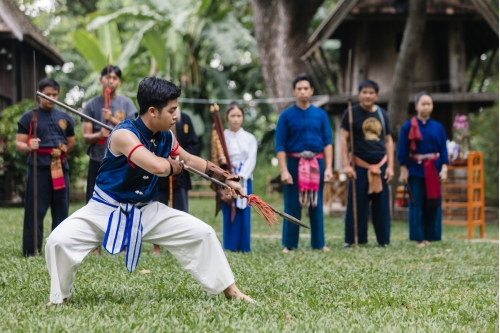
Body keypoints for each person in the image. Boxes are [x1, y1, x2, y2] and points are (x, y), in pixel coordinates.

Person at [45, 77, 253, 305]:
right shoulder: (124, 135)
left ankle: (230, 290)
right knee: (58, 241)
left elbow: (190, 159)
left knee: (203, 233)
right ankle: (61, 296)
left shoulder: (167, 136)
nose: (176, 115)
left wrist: (225, 179)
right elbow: (157, 166)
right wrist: (177, 166)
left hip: (145, 209)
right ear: (153, 111)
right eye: (172, 110)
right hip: (104, 208)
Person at [15, 78, 75, 257]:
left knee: (61, 209)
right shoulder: (29, 117)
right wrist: (28, 146)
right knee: (35, 210)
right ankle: (31, 250)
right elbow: (19, 142)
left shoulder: (66, 117)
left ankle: (59, 249)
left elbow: (71, 143)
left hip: (60, 168)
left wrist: (63, 149)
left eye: (54, 95)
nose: (51, 98)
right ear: (39, 94)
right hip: (37, 169)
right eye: (47, 94)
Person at [275, 73, 333, 253]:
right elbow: (281, 145)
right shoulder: (286, 116)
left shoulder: (321, 115)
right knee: (292, 203)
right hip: (294, 162)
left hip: (317, 163)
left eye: (306, 88)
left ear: (311, 91)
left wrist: (329, 168)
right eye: (299, 89)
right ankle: (289, 244)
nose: (302, 92)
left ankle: (319, 243)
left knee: (316, 204)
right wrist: (284, 170)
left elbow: (328, 143)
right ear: (294, 91)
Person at [340, 80, 394, 248]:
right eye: (364, 92)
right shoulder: (350, 114)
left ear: (376, 95)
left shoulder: (382, 115)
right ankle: (353, 239)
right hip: (359, 165)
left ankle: (383, 240)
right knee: (357, 203)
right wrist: (346, 165)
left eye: (371, 93)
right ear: (359, 94)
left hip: (381, 165)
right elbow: (343, 139)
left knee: (382, 205)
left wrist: (391, 166)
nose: (368, 95)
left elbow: (389, 141)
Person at [397, 92, 449, 247]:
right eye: (423, 104)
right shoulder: (408, 126)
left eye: (429, 104)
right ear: (416, 106)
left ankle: (431, 236)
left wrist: (444, 168)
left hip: (433, 169)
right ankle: (419, 237)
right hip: (415, 169)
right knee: (417, 203)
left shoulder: (438, 127)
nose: (426, 107)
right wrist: (403, 169)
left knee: (433, 203)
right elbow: (403, 149)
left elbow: (443, 149)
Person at [82, 65, 137, 204]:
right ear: (101, 80)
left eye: (115, 78)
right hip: (97, 158)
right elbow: (86, 137)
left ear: (119, 82)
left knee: (121, 197)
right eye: (108, 77)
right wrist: (99, 135)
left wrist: (112, 119)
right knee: (93, 197)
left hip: (121, 158)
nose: (111, 81)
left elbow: (135, 131)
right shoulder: (91, 105)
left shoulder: (127, 104)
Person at [153, 107, 200, 254]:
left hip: (181, 172)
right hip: (160, 173)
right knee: (158, 211)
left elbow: (194, 144)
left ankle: (181, 245)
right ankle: (157, 247)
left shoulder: (185, 119)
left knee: (182, 212)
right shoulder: (157, 123)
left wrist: (181, 160)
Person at [221, 102, 257, 252]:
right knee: (229, 208)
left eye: (239, 116)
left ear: (242, 117)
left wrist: (241, 176)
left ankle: (244, 245)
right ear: (227, 117)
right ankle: (230, 245)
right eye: (233, 116)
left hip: (244, 177)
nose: (236, 119)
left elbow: (251, 158)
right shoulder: (221, 136)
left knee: (243, 211)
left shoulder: (249, 138)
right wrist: (227, 175)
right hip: (227, 176)